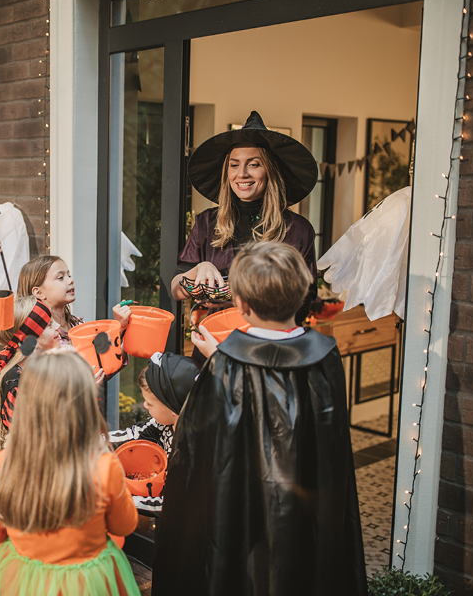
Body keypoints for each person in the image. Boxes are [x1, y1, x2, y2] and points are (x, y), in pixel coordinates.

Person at [154, 241, 366, 595]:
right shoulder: (325, 356)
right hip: (307, 508)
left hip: (244, 512)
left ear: (240, 304)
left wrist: (217, 361)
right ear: (302, 293)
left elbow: (198, 449)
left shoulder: (228, 363)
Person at [0, 350, 141, 596]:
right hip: (88, 584)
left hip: (24, 583)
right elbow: (125, 525)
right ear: (85, 405)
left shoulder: (2, 464)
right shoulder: (104, 465)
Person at [172, 111, 319, 361]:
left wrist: (252, 298)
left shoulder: (298, 230)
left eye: (254, 164)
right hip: (212, 350)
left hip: (268, 354)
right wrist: (200, 268)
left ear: (269, 170)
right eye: (234, 164)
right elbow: (176, 289)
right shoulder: (206, 223)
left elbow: (304, 305)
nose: (242, 174)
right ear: (227, 171)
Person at [17, 255, 131, 413]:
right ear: (39, 292)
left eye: (69, 275)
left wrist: (121, 329)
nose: (70, 280)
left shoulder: (77, 324)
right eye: (60, 277)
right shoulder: (40, 337)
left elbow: (105, 367)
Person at [108, 352, 199, 515]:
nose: (144, 405)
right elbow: (134, 435)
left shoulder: (192, 451)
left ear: (173, 409)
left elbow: (173, 504)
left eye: (150, 403)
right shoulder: (163, 423)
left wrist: (118, 500)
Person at [0, 295, 58, 450]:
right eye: (50, 324)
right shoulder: (15, 381)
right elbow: (30, 438)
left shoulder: (41, 370)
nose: (58, 326)